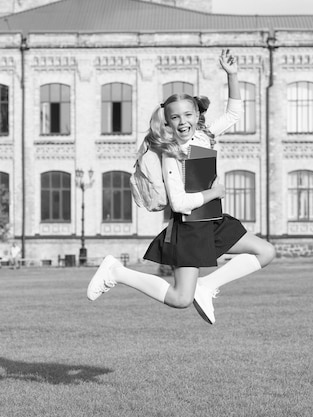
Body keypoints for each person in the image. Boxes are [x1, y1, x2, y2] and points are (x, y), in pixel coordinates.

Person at [87, 49, 275, 324]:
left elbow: (234, 113)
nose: (182, 121)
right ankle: (117, 272)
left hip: (211, 221)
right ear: (167, 122)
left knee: (266, 251)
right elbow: (179, 203)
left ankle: (208, 286)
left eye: (188, 115)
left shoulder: (204, 135)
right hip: (189, 228)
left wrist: (232, 75)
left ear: (197, 115)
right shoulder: (171, 154)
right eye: (175, 117)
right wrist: (214, 193)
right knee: (180, 299)